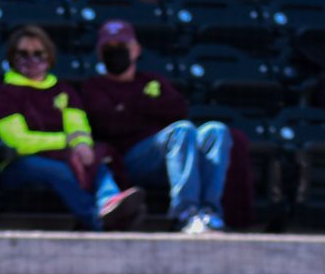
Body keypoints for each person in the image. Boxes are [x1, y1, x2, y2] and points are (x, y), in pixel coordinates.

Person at [79, 18, 233, 235]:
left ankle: (209, 213)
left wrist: (129, 108)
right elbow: (109, 124)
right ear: (99, 52)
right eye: (109, 48)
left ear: (136, 50)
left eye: (122, 46)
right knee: (182, 131)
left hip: (171, 157)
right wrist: (148, 106)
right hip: (129, 161)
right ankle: (185, 214)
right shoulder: (94, 87)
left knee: (216, 131)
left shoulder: (153, 80)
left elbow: (179, 110)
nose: (116, 52)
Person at [0, 24, 145, 232]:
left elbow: (79, 128)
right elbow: (19, 141)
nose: (31, 59)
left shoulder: (64, 91)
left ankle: (110, 203)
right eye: (23, 54)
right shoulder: (6, 94)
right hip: (19, 165)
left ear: (49, 56)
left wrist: (82, 145)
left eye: (38, 53)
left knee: (96, 161)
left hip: (65, 157)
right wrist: (66, 141)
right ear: (12, 57)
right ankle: (99, 222)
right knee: (59, 170)